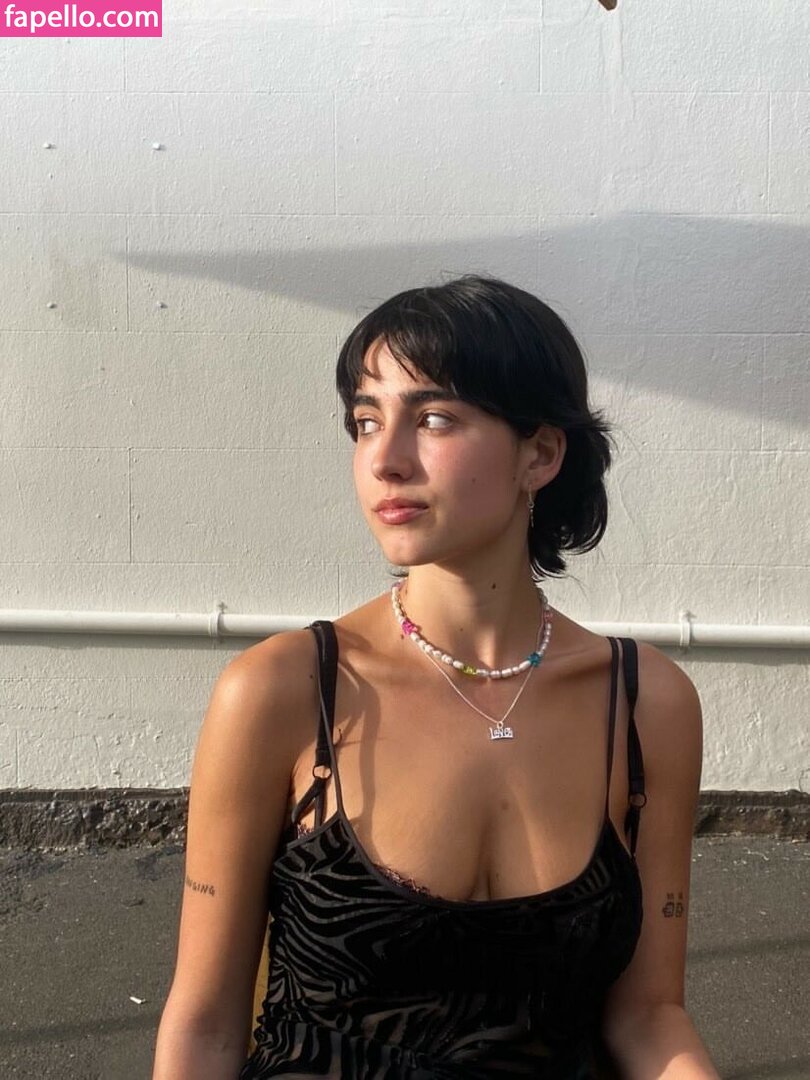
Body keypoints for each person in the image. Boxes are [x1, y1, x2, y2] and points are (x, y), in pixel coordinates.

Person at [152, 275, 720, 1078]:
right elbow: (205, 1022)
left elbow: (650, 1014)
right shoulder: (285, 691)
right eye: (366, 421)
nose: (385, 460)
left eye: (434, 418)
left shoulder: (645, 703)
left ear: (541, 453)